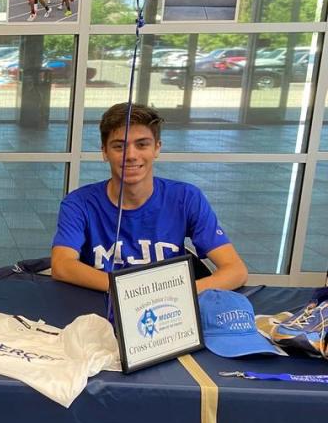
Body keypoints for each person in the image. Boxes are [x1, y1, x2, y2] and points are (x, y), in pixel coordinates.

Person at [50, 103, 248, 293]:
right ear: (104, 152)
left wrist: (183, 293)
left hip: (169, 308)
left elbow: (235, 270)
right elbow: (62, 265)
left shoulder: (186, 198)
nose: (131, 155)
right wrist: (132, 293)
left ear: (157, 148)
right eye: (119, 147)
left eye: (142, 145)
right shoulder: (78, 203)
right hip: (101, 305)